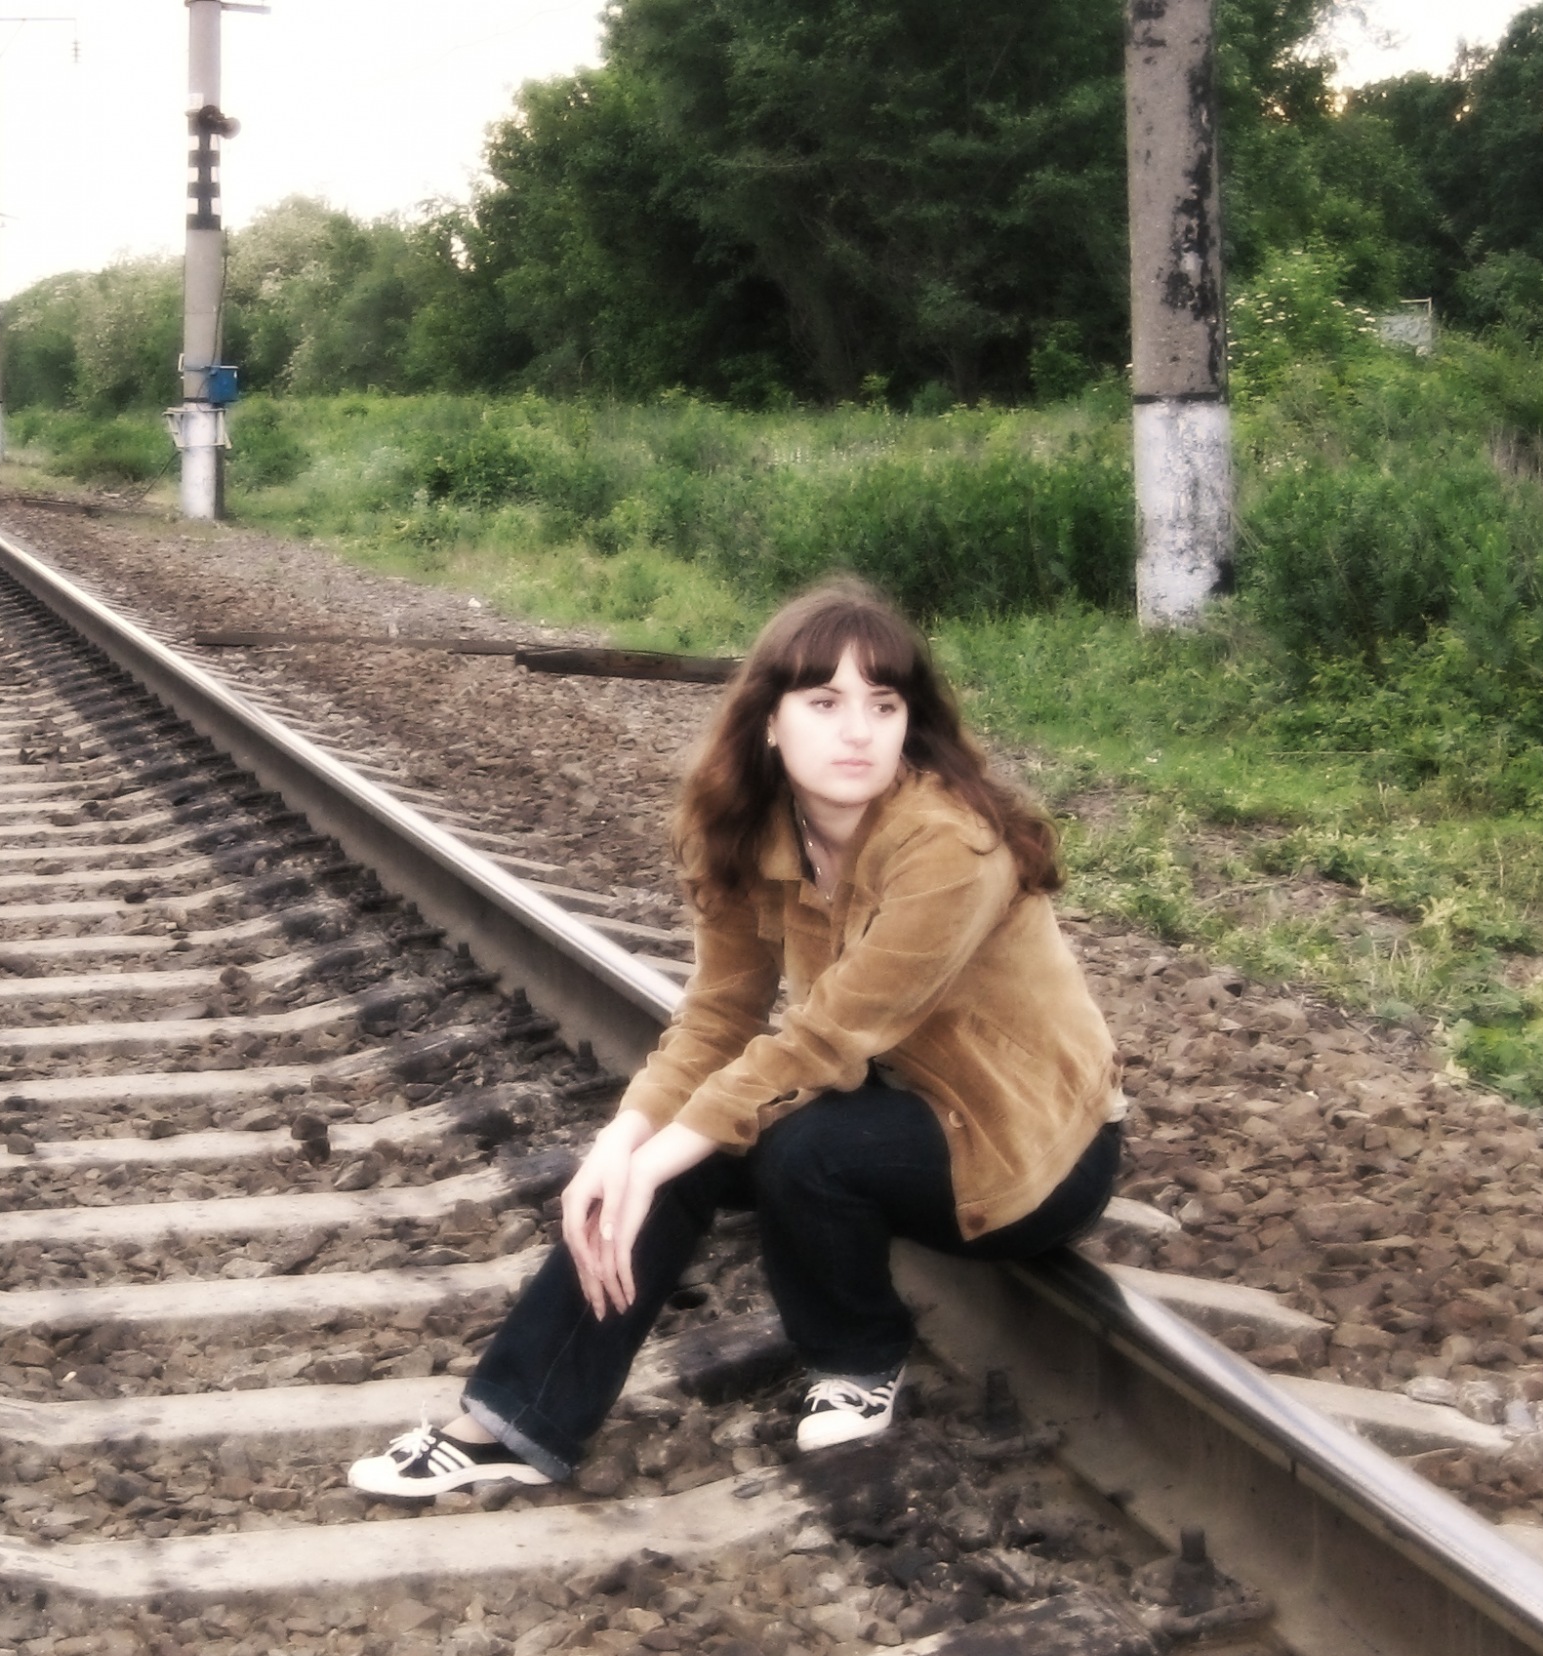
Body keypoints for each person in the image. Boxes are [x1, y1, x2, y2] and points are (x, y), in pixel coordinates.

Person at [348, 577, 1123, 1499]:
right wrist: (623, 1141)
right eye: (824, 702)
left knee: (789, 1140)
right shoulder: (748, 834)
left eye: (883, 705)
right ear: (769, 722)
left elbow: (828, 1038)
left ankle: (859, 1357)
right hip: (890, 1105)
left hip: (1029, 1146)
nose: (858, 731)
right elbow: (718, 1018)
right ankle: (513, 1421)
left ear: (910, 723)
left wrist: (658, 1156)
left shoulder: (950, 847)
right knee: (689, 1141)